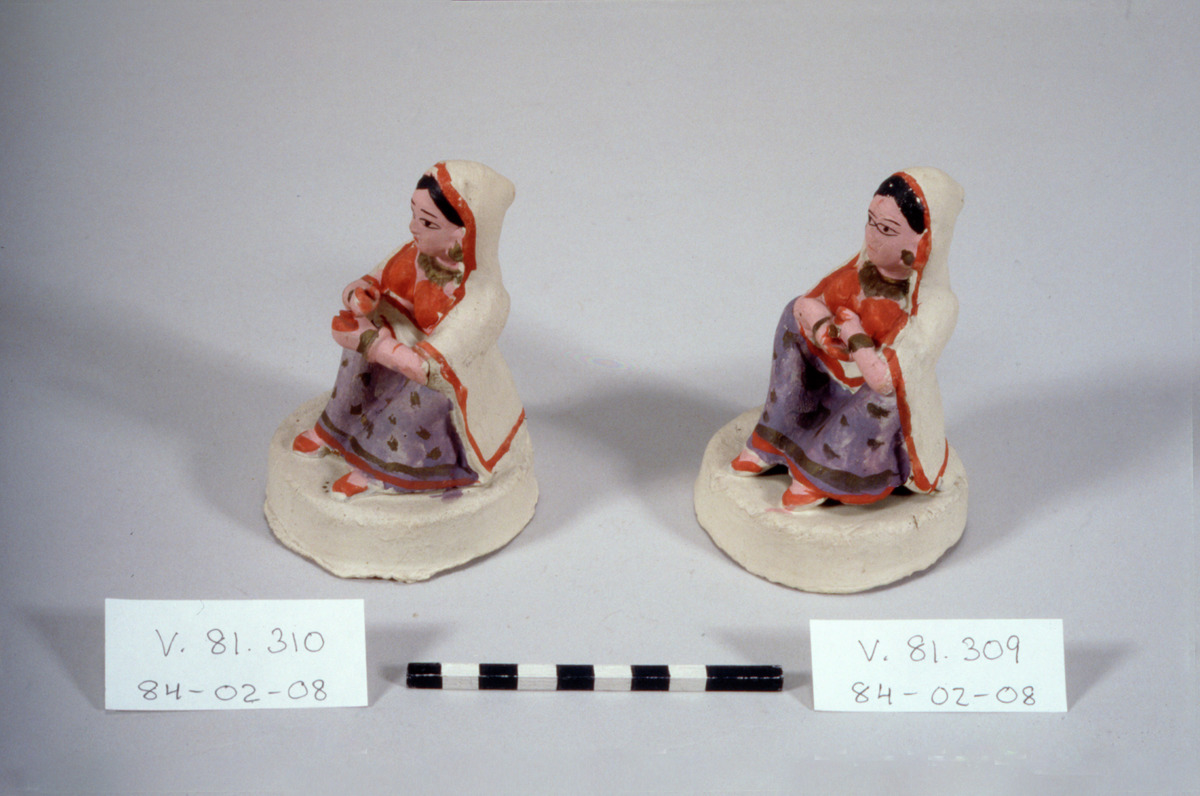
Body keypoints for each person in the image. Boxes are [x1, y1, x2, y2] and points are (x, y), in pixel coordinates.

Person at [732, 168, 963, 510]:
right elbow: (806, 304)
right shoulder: (859, 268)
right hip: (835, 372)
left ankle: (824, 473)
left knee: (890, 392)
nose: (872, 236)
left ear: (923, 243)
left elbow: (886, 378)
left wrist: (856, 338)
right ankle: (778, 435)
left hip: (877, 399)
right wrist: (824, 330)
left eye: (887, 230)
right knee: (791, 317)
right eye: (871, 221)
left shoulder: (937, 305)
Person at [292, 161, 526, 499]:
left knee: (418, 395)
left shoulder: (484, 298)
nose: (413, 227)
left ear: (463, 235)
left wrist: (371, 342)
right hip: (400, 349)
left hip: (444, 380)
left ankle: (382, 468)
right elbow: (371, 280)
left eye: (427, 222)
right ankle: (338, 430)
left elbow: (429, 368)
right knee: (357, 353)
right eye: (414, 214)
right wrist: (359, 297)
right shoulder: (414, 252)